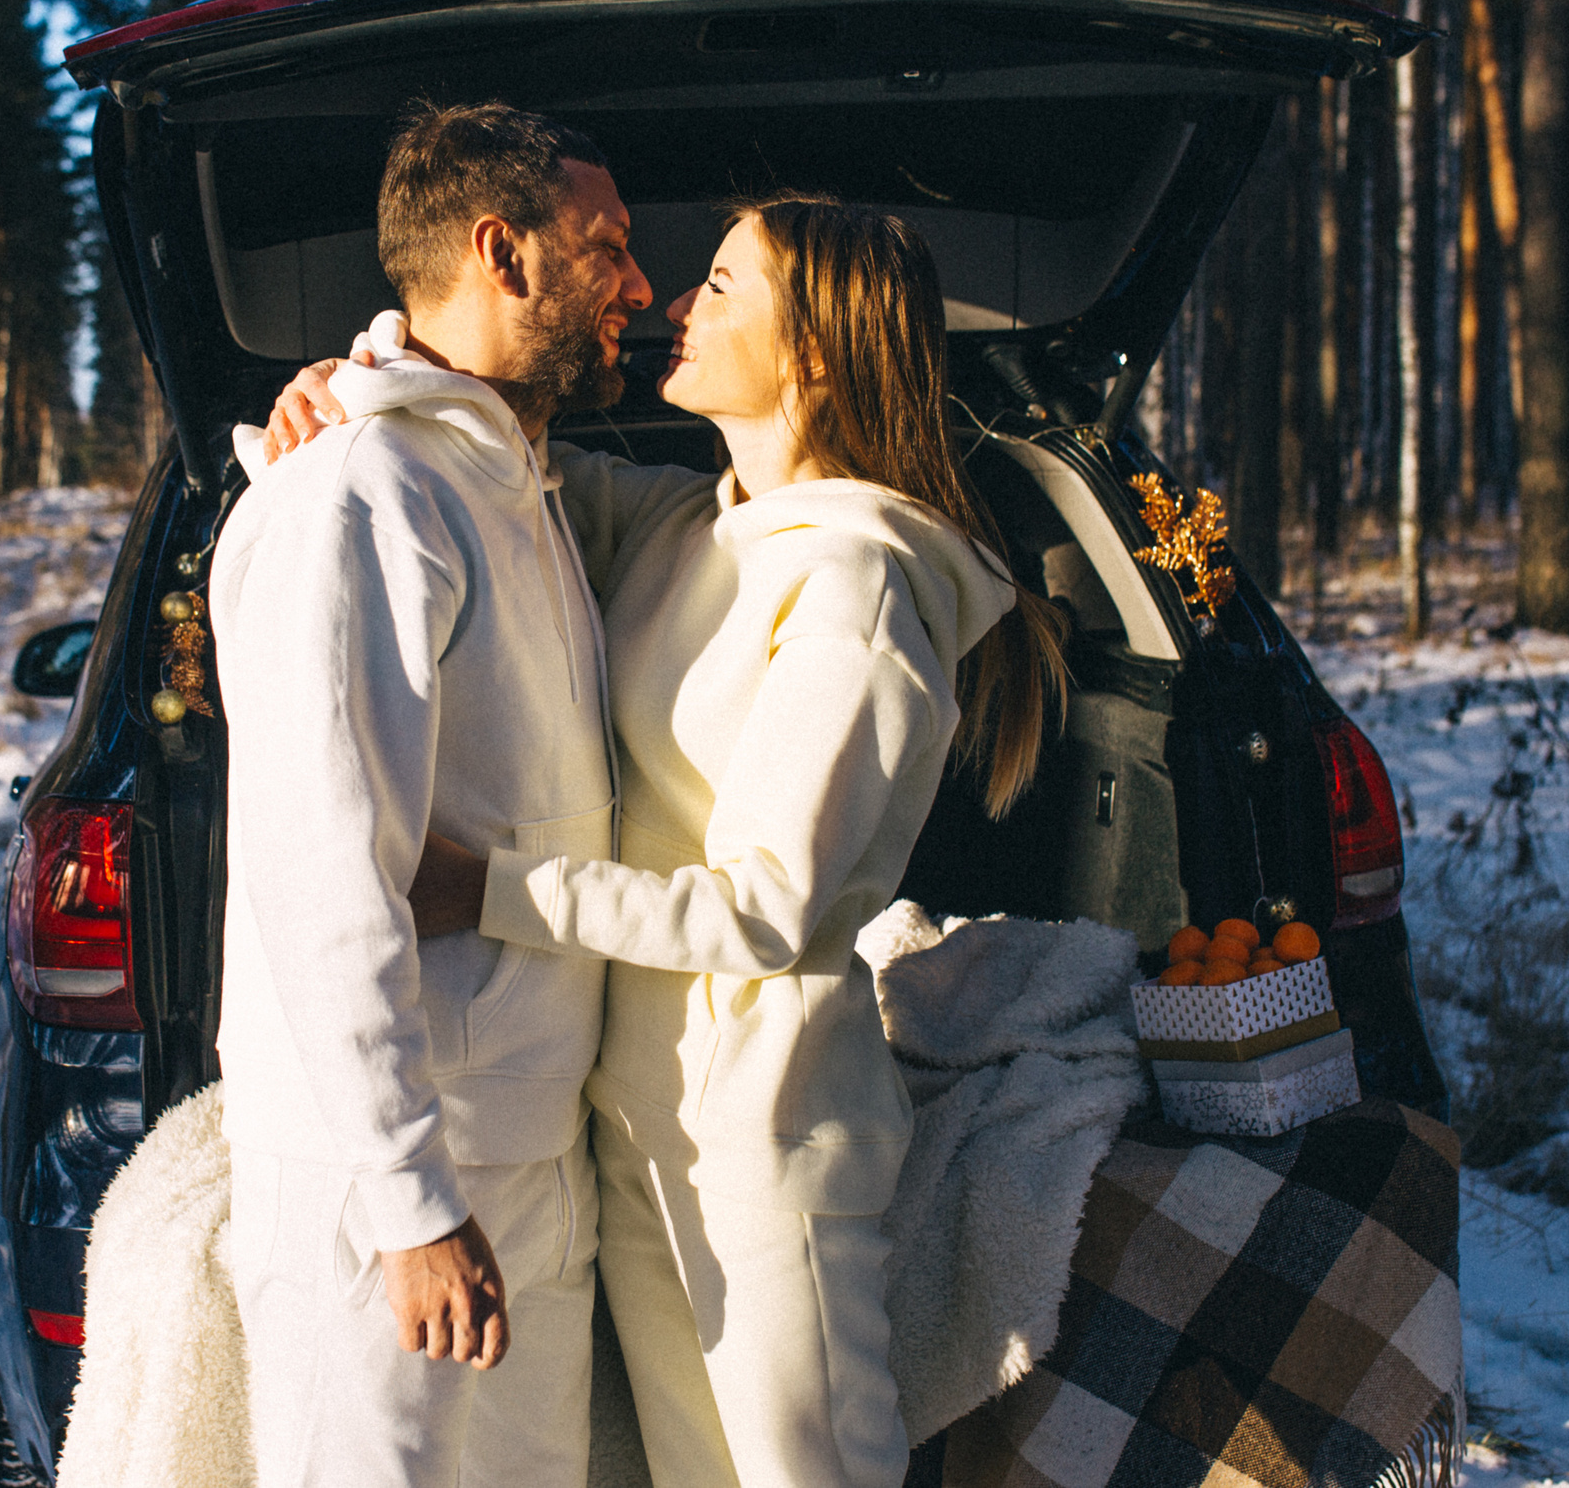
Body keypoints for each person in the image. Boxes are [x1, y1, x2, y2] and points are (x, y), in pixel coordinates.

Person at [265, 190, 1068, 1488]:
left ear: (814, 350)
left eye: (723, 284)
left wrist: (490, 890)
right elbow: (480, 459)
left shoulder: (857, 585)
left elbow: (765, 910)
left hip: (763, 1142)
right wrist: (352, 383)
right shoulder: (696, 527)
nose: (679, 306)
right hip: (634, 1122)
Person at [206, 99, 650, 1488]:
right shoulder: (360, 497)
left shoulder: (505, 481)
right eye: (609, 247)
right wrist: (405, 1204)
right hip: (389, 1181)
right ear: (502, 252)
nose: (640, 282)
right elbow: (322, 867)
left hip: (519, 1142)